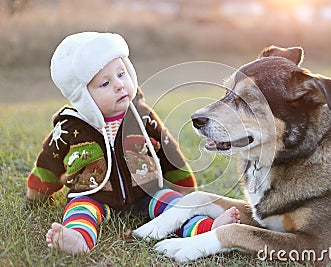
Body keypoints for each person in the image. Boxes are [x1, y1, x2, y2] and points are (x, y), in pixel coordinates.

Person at [25, 32, 240, 255]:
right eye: (105, 83)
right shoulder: (70, 127)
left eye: (121, 74)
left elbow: (168, 152)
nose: (119, 85)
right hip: (94, 195)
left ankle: (206, 228)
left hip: (146, 192)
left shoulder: (141, 116)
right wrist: (36, 194)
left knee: (174, 205)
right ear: (83, 96)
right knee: (80, 210)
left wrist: (184, 187)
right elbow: (48, 161)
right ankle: (78, 238)